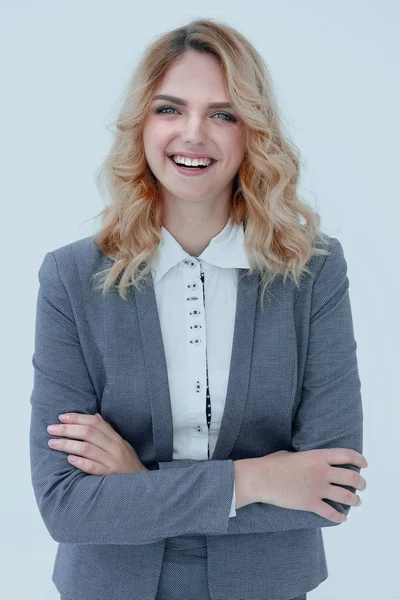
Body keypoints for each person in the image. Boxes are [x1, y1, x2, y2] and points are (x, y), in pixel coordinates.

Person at [29, 17, 368, 600]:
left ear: (252, 132)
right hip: (110, 586)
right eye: (169, 109)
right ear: (141, 125)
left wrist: (137, 485)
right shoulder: (71, 278)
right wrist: (258, 478)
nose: (194, 133)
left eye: (223, 113)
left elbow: (330, 490)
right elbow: (68, 507)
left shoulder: (312, 270)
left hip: (265, 586)